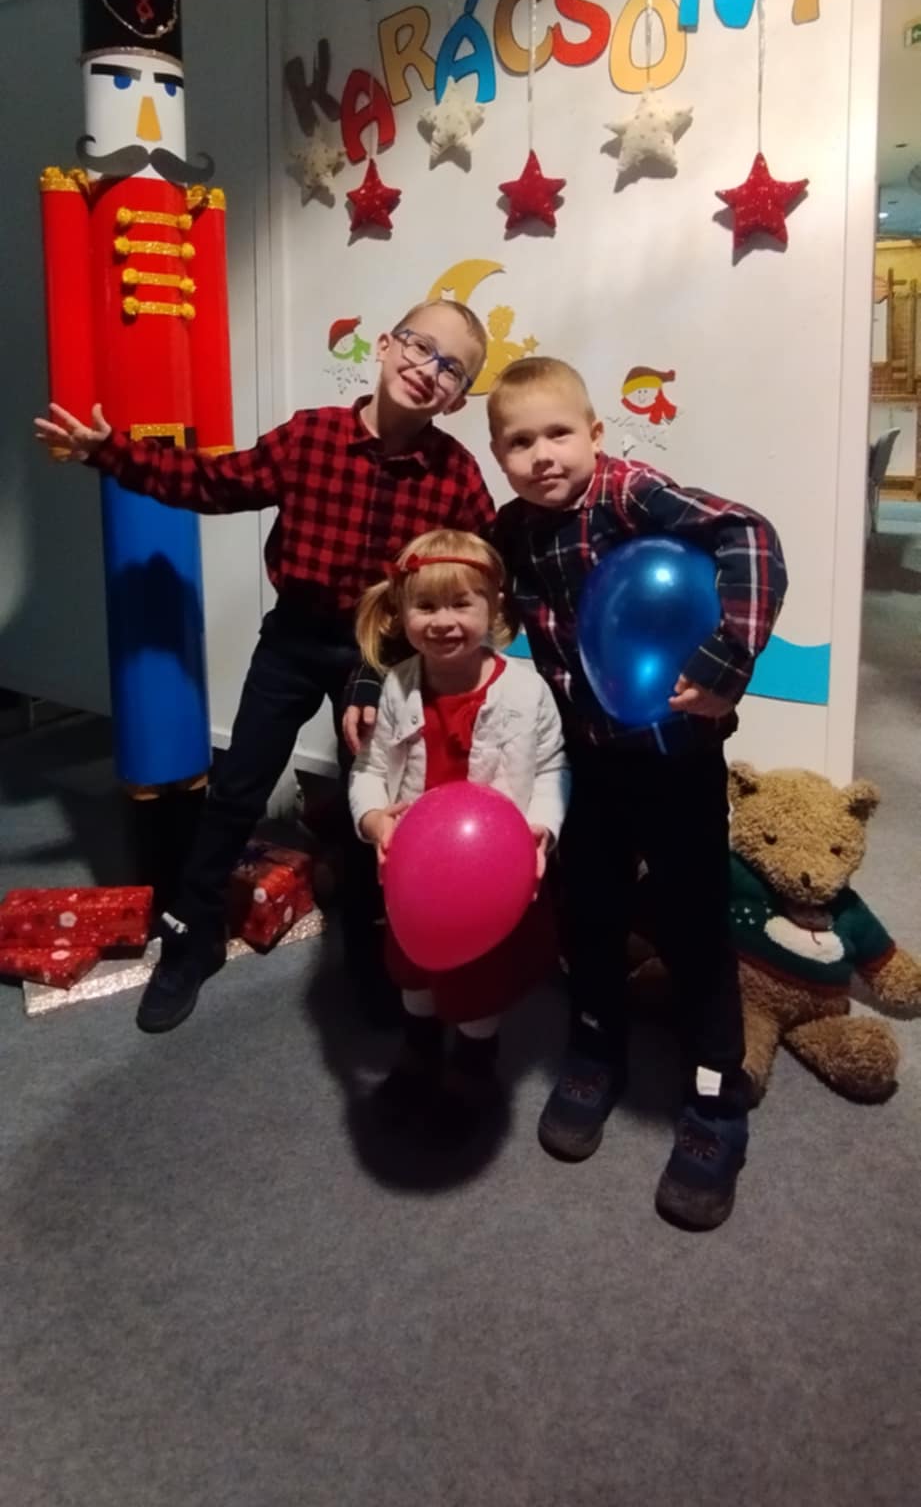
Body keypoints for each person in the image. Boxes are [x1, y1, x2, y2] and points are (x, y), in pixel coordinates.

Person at [34, 300, 495, 1032]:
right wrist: (110, 453)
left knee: (374, 803)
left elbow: (484, 569)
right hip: (292, 641)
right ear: (384, 344)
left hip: (381, 655)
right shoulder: (311, 435)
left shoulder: (456, 477)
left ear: (458, 399)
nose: (427, 369)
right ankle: (191, 937)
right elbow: (214, 484)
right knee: (237, 789)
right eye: (419, 346)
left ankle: (372, 949)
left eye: (451, 369)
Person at [486, 355, 788, 1231]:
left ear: (593, 433)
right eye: (518, 442)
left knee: (694, 923)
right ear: (499, 457)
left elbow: (748, 535)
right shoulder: (512, 528)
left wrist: (728, 655)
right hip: (589, 759)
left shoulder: (630, 494)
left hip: (676, 757)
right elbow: (449, 589)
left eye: (557, 433)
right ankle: (594, 1046)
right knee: (588, 910)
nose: (542, 454)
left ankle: (715, 1099)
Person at [349, 529, 568, 1140]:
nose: (443, 621)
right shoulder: (397, 686)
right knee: (413, 965)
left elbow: (553, 768)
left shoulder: (526, 690)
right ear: (400, 612)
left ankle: (475, 1060)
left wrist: (542, 829)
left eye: (460, 604)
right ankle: (419, 1046)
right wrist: (373, 819)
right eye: (425, 606)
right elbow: (368, 770)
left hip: (490, 872)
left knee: (480, 975)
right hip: (414, 870)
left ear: (493, 607)